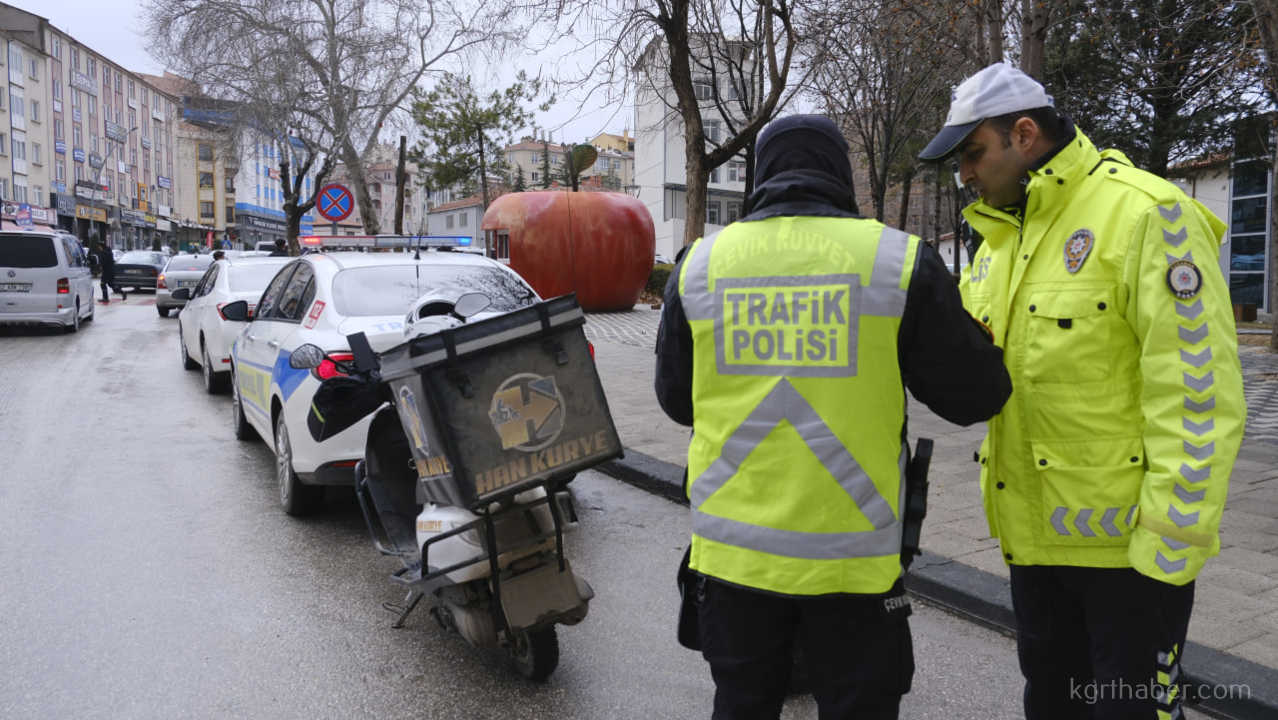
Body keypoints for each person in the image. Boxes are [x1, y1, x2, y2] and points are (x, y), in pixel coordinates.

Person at [654, 114, 1013, 719]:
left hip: (733, 563)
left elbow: (675, 401)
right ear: (840, 176)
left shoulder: (699, 266)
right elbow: (974, 397)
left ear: (759, 177)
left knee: (741, 705)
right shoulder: (895, 261)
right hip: (854, 567)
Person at [917, 63, 1246, 720]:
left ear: (1026, 133)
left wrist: (1168, 554)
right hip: (1035, 552)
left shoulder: (1149, 215)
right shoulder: (998, 245)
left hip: (1130, 565)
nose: (966, 176)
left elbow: (1199, 397)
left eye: (974, 154)